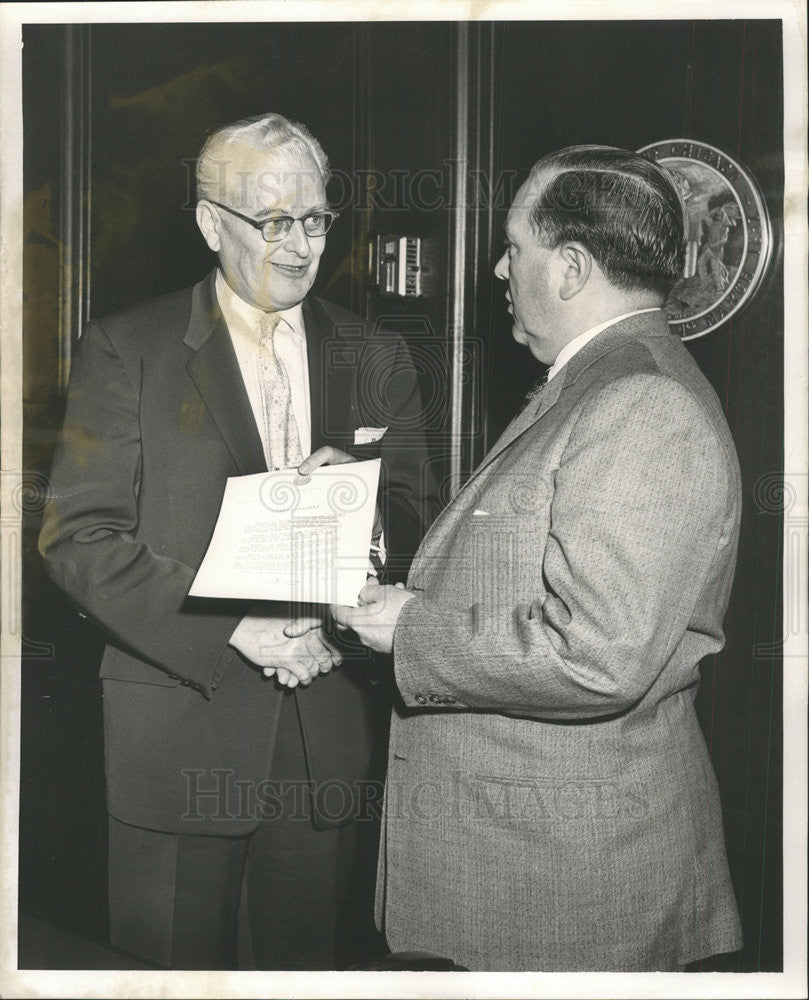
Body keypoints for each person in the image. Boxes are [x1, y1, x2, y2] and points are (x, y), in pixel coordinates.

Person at [39, 113, 436, 970]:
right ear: (211, 223)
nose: (299, 247)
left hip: (321, 745)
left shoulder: (375, 354)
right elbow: (80, 539)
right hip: (177, 740)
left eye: (317, 219)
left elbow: (416, 518)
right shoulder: (126, 349)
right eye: (273, 222)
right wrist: (230, 630)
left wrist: (362, 509)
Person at [333, 145, 744, 971]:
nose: (497, 267)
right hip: (532, 867)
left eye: (513, 246)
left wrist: (413, 630)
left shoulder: (639, 403)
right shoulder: (602, 380)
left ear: (569, 267)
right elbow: (514, 546)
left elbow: (596, 655)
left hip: (566, 889)